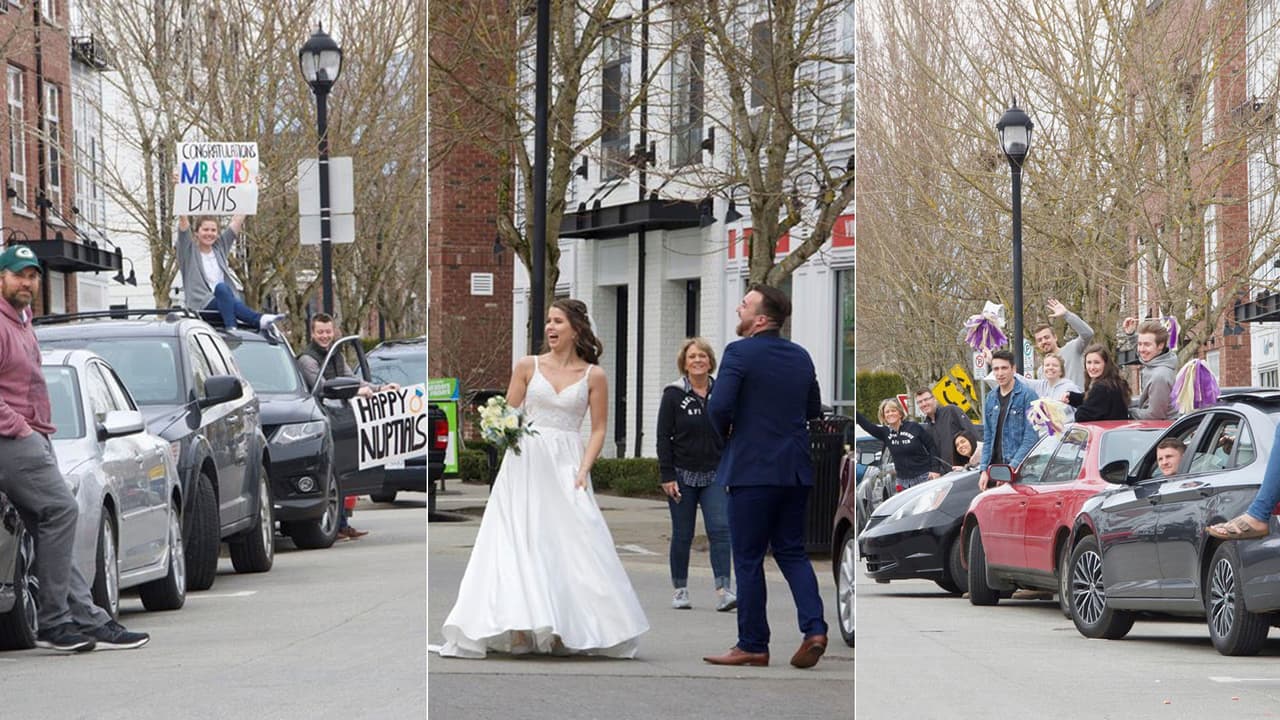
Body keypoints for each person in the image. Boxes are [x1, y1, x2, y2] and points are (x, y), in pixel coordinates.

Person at [439, 299, 648, 658]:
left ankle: (567, 626)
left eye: (558, 322)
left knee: (571, 542)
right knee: (519, 541)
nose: (551, 328)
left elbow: (598, 429)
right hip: (525, 463)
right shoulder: (527, 366)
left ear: (576, 329)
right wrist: (499, 428)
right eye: (548, 321)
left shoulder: (593, 375)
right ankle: (520, 628)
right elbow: (507, 412)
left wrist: (584, 467)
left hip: (567, 464)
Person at [0, 244, 150, 652]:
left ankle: (86, 618)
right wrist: (22, 431)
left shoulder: (22, 321)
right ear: (2, 279)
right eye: (18, 275)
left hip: (34, 435)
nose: (27, 282)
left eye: (32, 275)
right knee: (62, 510)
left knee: (52, 525)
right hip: (12, 439)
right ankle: (55, 621)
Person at [703, 284, 827, 670]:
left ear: (759, 319)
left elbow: (719, 406)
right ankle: (815, 629)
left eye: (745, 303)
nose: (738, 306)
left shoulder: (738, 352)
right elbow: (813, 411)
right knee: (791, 552)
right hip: (793, 469)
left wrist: (726, 435)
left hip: (752, 470)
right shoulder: (801, 356)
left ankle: (753, 643)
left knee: (749, 556)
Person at [297, 313, 399, 540]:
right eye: (320, 332)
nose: (324, 336)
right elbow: (323, 387)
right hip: (321, 421)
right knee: (332, 473)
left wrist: (379, 389)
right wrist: (355, 391)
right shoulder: (307, 360)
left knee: (342, 471)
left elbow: (352, 379)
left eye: (328, 332)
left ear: (334, 332)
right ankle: (334, 523)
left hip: (339, 419)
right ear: (312, 334)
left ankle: (342, 522)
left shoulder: (336, 355)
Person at [656, 337, 735, 612]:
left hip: (715, 473)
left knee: (721, 530)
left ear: (710, 361)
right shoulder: (673, 395)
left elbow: (732, 432)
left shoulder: (722, 394)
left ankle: (724, 589)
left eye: (702, 356)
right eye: (692, 357)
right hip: (681, 475)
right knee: (682, 534)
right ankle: (680, 589)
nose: (698, 360)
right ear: (684, 363)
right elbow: (663, 437)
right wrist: (667, 475)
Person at [175, 213, 285, 331]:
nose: (209, 233)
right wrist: (183, 208)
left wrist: (246, 198)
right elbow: (184, 227)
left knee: (223, 290)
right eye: (205, 229)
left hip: (225, 300)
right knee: (222, 288)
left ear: (217, 234)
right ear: (196, 233)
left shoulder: (219, 248)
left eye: (213, 230)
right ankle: (249, 322)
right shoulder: (188, 252)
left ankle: (236, 326)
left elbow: (236, 222)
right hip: (202, 305)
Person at [978, 349, 1038, 492]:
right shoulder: (990, 398)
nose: (1000, 373)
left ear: (1013, 369)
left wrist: (1009, 470)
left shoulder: (1028, 396)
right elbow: (988, 438)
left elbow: (1031, 438)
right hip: (994, 472)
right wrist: (983, 470)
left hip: (1019, 473)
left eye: (1004, 368)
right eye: (996, 369)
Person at [856, 399, 942, 489]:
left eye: (893, 410)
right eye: (887, 412)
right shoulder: (885, 433)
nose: (890, 414)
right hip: (903, 482)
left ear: (900, 413)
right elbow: (867, 425)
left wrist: (935, 470)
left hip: (924, 477)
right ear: (884, 416)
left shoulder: (913, 427)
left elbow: (932, 447)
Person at [1122, 317, 1178, 420]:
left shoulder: (1160, 377)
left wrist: (1126, 412)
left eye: (1147, 345)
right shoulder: (1158, 359)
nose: (1141, 349)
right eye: (1140, 344)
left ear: (1160, 346)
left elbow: (1154, 416)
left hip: (1162, 432)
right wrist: (1131, 335)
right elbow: (1143, 351)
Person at [1034, 298, 1095, 388]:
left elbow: (1088, 334)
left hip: (1078, 401)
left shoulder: (1072, 349)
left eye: (1046, 337)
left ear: (1055, 337)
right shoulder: (1041, 370)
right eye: (1039, 340)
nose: (1044, 341)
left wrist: (1066, 315)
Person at [1063, 344, 1131, 422]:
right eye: (1089, 362)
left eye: (1097, 363)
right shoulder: (1114, 383)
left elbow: (1082, 415)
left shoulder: (1102, 388)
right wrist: (1072, 397)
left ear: (1106, 364)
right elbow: (1094, 400)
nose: (1092, 367)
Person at [915, 388, 972, 470]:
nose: (924, 404)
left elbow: (972, 436)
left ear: (934, 399)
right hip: (947, 475)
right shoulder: (927, 428)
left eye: (926, 399)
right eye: (920, 402)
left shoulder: (951, 411)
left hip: (966, 470)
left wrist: (970, 466)